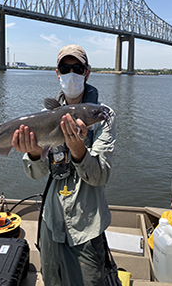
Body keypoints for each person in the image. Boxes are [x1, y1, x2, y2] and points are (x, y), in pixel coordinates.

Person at [12, 44, 116, 286]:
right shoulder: (42, 117)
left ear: (87, 73)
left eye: (77, 68)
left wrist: (78, 148)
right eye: (65, 68)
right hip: (51, 222)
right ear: (57, 73)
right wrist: (35, 152)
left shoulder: (103, 116)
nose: (71, 73)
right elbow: (34, 173)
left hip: (86, 227)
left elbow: (101, 176)